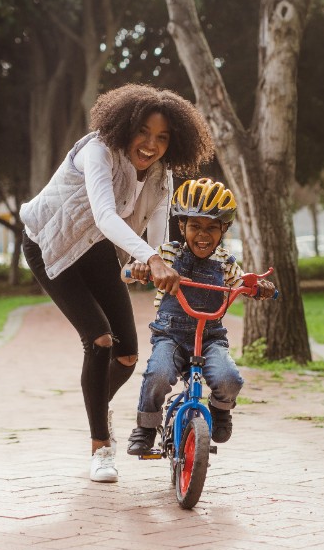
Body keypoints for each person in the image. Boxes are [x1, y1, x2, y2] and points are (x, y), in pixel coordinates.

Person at [20, 84, 214, 483]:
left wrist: (158, 258)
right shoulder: (97, 151)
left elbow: (159, 226)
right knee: (100, 340)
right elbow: (106, 216)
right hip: (49, 245)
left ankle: (96, 405)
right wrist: (150, 258)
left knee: (126, 355)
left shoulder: (162, 173)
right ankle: (101, 447)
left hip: (95, 250)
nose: (150, 144)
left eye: (162, 138)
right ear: (125, 126)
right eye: (143, 131)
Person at [122, 178, 276, 456]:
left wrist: (258, 287)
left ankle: (220, 410)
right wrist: (138, 270)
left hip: (210, 338)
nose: (202, 235)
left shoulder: (226, 262)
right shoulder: (167, 254)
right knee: (158, 375)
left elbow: (243, 281)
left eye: (212, 227)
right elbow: (128, 273)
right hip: (171, 335)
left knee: (230, 379)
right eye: (195, 226)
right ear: (182, 227)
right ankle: (146, 427)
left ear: (224, 229)